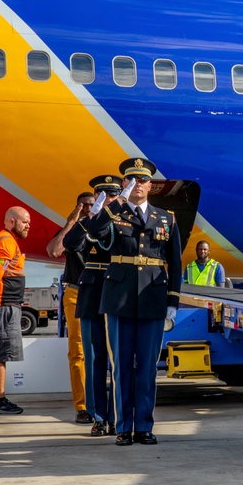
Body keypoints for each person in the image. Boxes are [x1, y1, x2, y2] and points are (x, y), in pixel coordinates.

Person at [88, 158, 182, 446]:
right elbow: (94, 233)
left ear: (150, 185)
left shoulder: (166, 218)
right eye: (132, 180)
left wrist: (172, 302)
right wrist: (116, 203)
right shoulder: (113, 214)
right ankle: (122, 426)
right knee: (121, 366)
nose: (137, 185)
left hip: (152, 298)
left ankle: (144, 426)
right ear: (125, 183)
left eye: (142, 180)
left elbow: (175, 262)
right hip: (119, 299)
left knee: (148, 367)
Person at [63, 175, 121, 437]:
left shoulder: (128, 221)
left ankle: (119, 418)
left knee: (119, 360)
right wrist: (88, 219)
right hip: (91, 296)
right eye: (101, 195)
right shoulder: (87, 223)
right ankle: (98, 416)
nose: (106, 199)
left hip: (119, 295)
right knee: (94, 359)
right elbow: (69, 243)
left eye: (111, 195)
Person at [46, 191, 96, 424]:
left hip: (101, 292)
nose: (87, 209)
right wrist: (70, 223)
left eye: (91, 205)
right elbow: (55, 250)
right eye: (82, 205)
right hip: (76, 292)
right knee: (78, 352)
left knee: (110, 349)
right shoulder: (72, 230)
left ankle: (107, 402)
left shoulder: (104, 227)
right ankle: (82, 406)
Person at [0, 206, 31, 415]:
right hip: (3, 305)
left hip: (0, 305)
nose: (28, 226)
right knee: (0, 353)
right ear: (11, 222)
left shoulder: (4, 240)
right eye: (24, 222)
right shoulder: (7, 242)